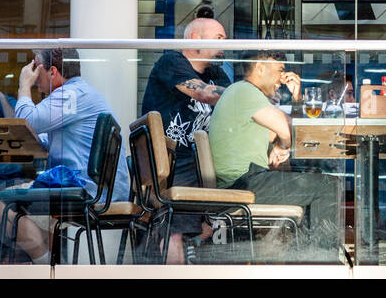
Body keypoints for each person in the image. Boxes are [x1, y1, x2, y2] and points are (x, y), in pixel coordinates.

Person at [0, 47, 130, 264]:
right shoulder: (77, 94)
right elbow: (47, 137)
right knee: (38, 213)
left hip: (88, 191)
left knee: (1, 200)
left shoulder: (70, 95)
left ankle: (46, 266)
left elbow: (28, 120)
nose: (36, 78)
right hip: (93, 187)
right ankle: (51, 265)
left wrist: (24, 85)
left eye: (38, 70)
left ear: (53, 72)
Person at [207, 49, 343, 257]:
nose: (282, 77)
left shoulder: (246, 97)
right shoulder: (245, 91)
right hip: (241, 184)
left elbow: (286, 132)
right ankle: (322, 261)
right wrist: (283, 147)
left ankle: (308, 256)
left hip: (244, 180)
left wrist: (297, 99)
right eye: (279, 70)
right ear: (260, 68)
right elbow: (288, 130)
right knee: (327, 185)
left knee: (310, 182)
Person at [140, 16, 230, 262]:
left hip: (204, 162)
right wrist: (245, 94)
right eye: (219, 38)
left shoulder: (217, 74)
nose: (225, 44)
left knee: (210, 224)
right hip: (172, 161)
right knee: (175, 231)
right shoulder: (171, 61)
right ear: (195, 38)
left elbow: (232, 110)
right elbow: (202, 93)